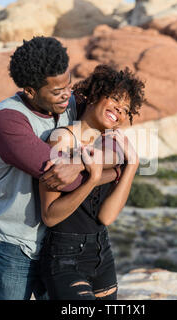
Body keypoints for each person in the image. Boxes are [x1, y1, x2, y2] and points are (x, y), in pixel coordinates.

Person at [0, 37, 120, 300]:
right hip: (15, 244)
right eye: (57, 91)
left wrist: (84, 162)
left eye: (68, 84)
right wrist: (113, 172)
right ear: (30, 91)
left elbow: (116, 142)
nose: (67, 94)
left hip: (61, 246)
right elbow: (63, 180)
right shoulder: (8, 119)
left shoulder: (70, 102)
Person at [38, 64, 145, 300]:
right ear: (95, 95)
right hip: (65, 256)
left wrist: (132, 166)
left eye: (126, 108)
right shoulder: (62, 139)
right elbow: (50, 215)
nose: (120, 108)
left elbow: (106, 217)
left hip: (102, 253)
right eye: (115, 98)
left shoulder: (111, 146)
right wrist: (92, 179)